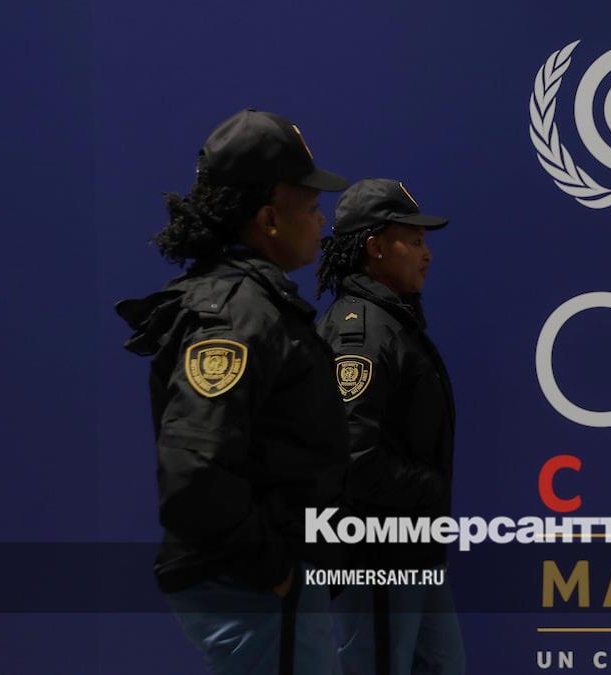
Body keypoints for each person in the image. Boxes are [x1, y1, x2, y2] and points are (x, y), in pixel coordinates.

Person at [116, 108, 351, 675]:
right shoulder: (236, 316)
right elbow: (194, 472)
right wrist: (275, 567)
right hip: (256, 591)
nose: (321, 221)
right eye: (310, 206)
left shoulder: (252, 303)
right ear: (269, 218)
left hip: (262, 586)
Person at [316, 178, 463, 675]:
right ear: (376, 248)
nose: (427, 255)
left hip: (413, 548)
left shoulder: (392, 322)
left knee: (443, 666)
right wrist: (428, 487)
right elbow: (352, 457)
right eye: (415, 241)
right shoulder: (360, 333)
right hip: (376, 554)